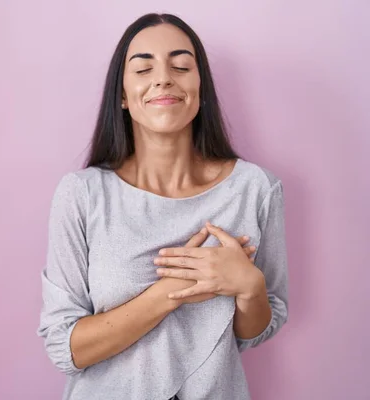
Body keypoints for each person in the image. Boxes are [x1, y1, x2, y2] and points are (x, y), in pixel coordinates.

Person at [37, 12, 288, 400]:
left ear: (200, 87)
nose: (164, 77)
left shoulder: (256, 188)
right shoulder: (82, 194)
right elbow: (65, 347)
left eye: (181, 65)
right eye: (143, 68)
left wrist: (250, 286)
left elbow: (254, 332)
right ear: (122, 94)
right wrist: (174, 288)